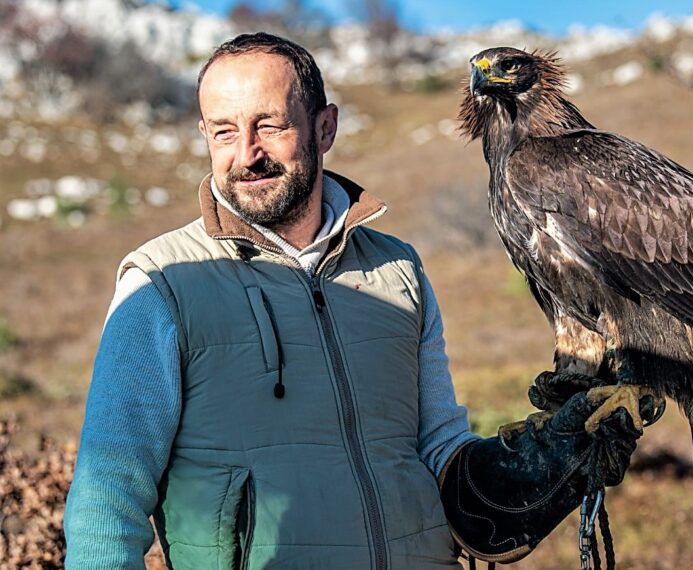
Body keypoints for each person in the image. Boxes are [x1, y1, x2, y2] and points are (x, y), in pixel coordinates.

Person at [63, 33, 648, 569]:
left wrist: (529, 471)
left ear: (324, 128)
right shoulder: (163, 280)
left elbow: (437, 445)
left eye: (269, 125)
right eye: (223, 131)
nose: (246, 153)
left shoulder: (397, 270)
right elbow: (106, 499)